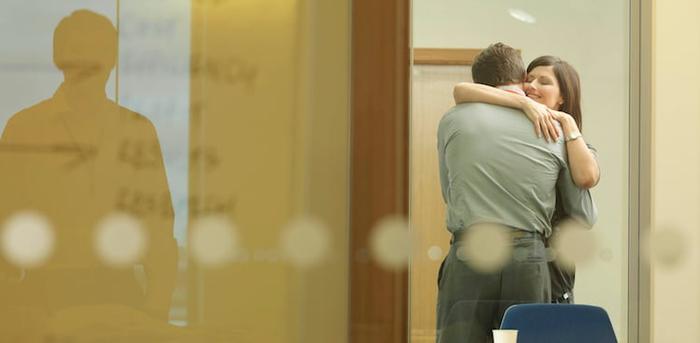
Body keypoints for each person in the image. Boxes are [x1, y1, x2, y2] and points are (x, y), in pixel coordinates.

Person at [0, 9, 177, 325]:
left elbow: (159, 228)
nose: (85, 61)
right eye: (75, 50)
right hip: (41, 296)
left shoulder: (138, 130)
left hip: (120, 293)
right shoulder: (24, 127)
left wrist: (156, 308)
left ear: (112, 59)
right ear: (58, 58)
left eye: (96, 50)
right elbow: (4, 218)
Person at [436, 43, 597, 343]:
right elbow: (584, 212)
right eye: (530, 80)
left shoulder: (452, 119)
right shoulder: (558, 133)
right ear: (521, 78)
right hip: (528, 258)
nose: (533, 87)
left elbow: (449, 190)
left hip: (470, 252)